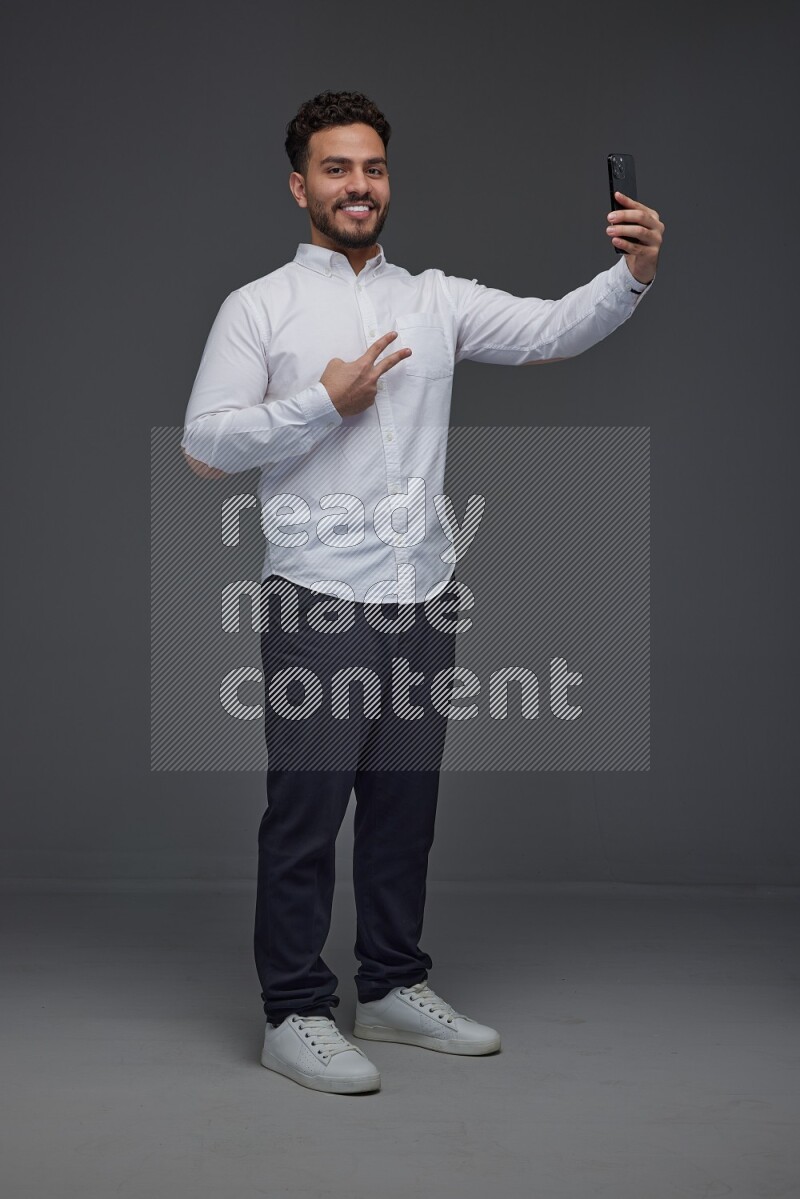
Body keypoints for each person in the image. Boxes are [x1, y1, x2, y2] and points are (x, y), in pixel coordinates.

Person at [181, 90, 664, 1095]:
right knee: (306, 813)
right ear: (299, 185)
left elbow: (550, 330)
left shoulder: (434, 299)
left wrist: (631, 274)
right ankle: (293, 1009)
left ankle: (393, 985)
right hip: (317, 597)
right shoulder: (259, 306)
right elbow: (204, 446)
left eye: (372, 168)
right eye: (335, 168)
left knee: (404, 810)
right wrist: (324, 402)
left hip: (423, 596)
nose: (357, 185)